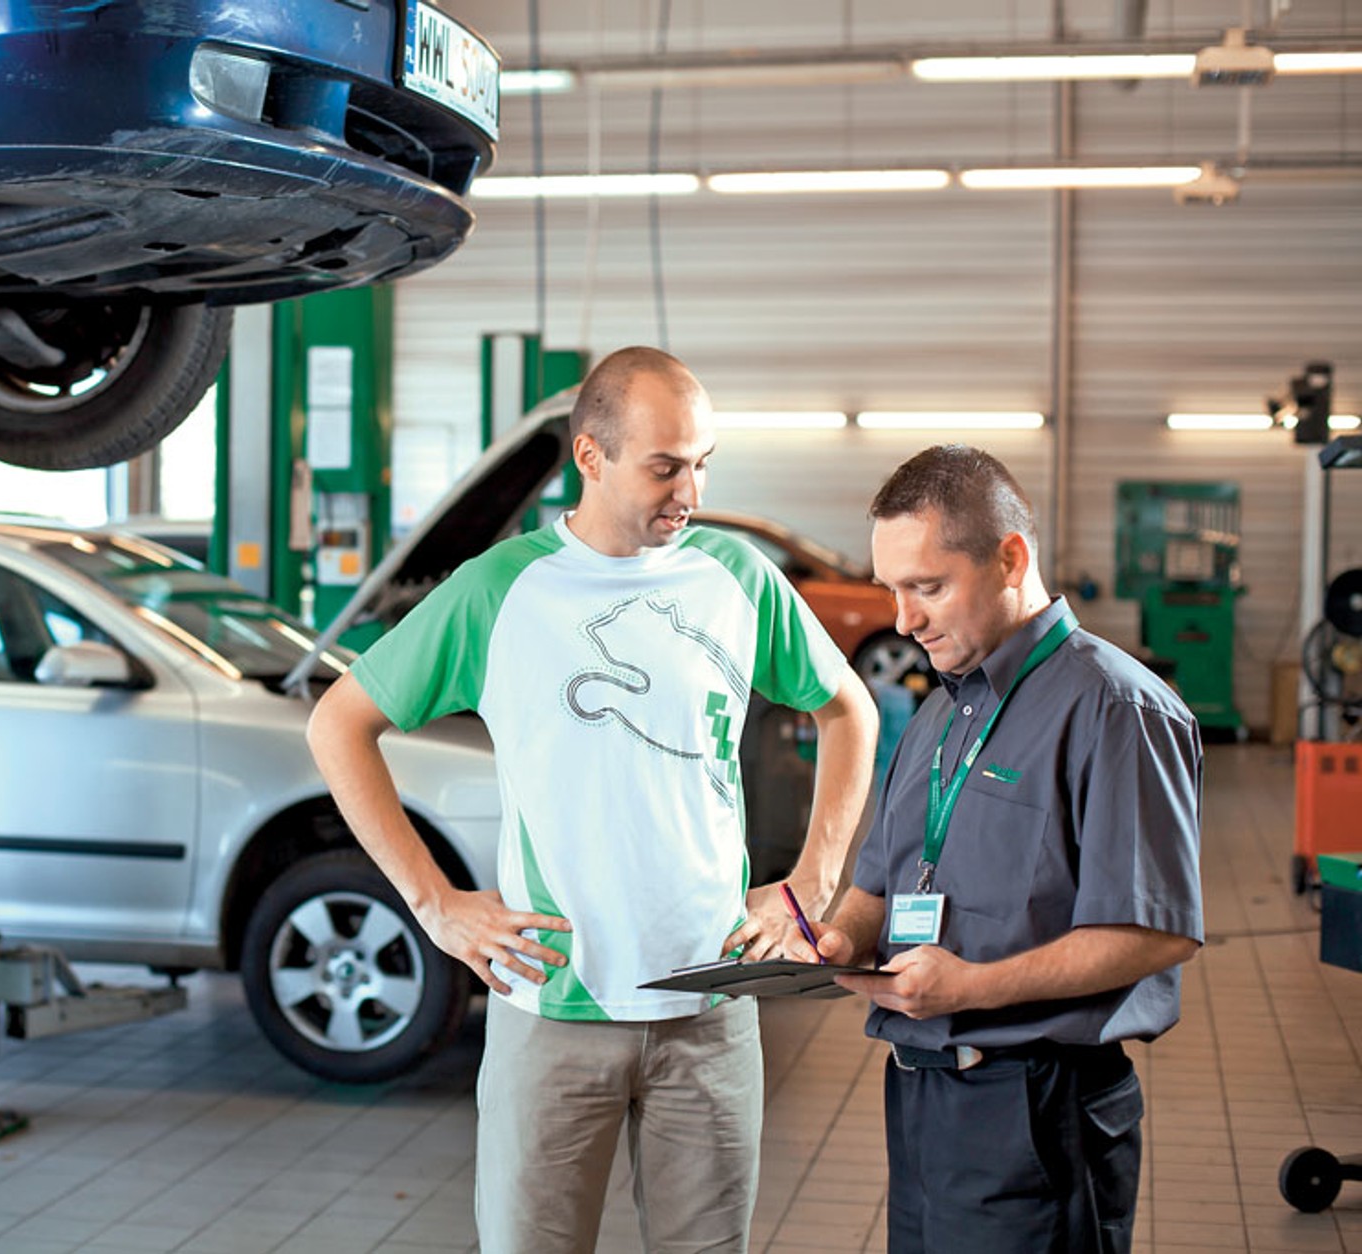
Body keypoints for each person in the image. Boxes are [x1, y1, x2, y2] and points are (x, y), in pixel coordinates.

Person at [306, 346, 877, 1254]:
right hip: (553, 1010)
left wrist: (812, 885)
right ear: (590, 457)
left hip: (711, 1006)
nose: (688, 490)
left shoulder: (735, 576)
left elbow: (849, 709)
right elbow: (339, 725)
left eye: (701, 464)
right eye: (664, 466)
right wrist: (436, 906)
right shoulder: (499, 591)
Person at [791, 445, 1204, 1254]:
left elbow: (1159, 931)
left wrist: (974, 986)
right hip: (920, 1098)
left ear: (1011, 558)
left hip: (1036, 1109)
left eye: (929, 587)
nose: (904, 621)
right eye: (892, 591)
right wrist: (842, 939)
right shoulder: (942, 713)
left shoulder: (1116, 709)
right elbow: (881, 882)